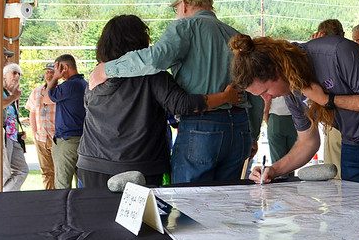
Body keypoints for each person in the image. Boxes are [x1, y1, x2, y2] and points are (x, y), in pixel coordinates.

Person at [88, 0, 262, 184]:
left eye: (176, 8)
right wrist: (253, 135)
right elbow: (255, 92)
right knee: (226, 203)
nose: (177, 13)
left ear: (185, 5)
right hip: (239, 129)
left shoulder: (186, 27)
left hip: (203, 126)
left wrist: (107, 69)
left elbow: (155, 60)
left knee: (189, 203)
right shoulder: (237, 36)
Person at [230, 33, 359, 190]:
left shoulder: (337, 53)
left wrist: (327, 100)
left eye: (265, 92)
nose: (267, 99)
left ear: (277, 71)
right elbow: (308, 142)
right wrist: (274, 170)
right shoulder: (291, 88)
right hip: (353, 143)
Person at [78, 15, 241, 188]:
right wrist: (225, 97)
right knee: (145, 216)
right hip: (139, 167)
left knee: (93, 214)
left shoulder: (96, 76)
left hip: (90, 163)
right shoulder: (152, 77)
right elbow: (183, 105)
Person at [47, 54, 88, 189]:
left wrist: (54, 78)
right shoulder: (84, 84)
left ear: (65, 67)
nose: (55, 71)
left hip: (67, 141)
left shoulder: (69, 85)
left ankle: (62, 209)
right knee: (82, 184)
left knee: (62, 184)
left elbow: (51, 95)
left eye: (57, 68)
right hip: (83, 141)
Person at [311, 19, 345, 177]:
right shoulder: (349, 53)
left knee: (335, 172)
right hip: (337, 120)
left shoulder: (328, 57)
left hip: (338, 119)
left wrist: (313, 51)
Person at [25, 63, 57, 189]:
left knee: (60, 172)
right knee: (46, 171)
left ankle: (62, 197)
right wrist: (34, 133)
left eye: (52, 72)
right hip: (41, 137)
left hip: (57, 137)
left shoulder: (61, 90)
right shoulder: (36, 91)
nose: (49, 74)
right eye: (47, 72)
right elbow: (32, 112)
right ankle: (49, 197)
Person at [1, 63, 29, 191]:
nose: (17, 75)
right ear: (4, 76)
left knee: (22, 170)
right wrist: (14, 96)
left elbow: (11, 116)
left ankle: (6, 196)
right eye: (14, 72)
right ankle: (1, 199)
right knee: (4, 173)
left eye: (19, 74)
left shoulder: (9, 94)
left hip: (13, 137)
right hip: (4, 137)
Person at [263, 95, 297, 164]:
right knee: (292, 160)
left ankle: (281, 175)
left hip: (276, 119)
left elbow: (266, 102)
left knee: (278, 161)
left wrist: (268, 120)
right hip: (296, 118)